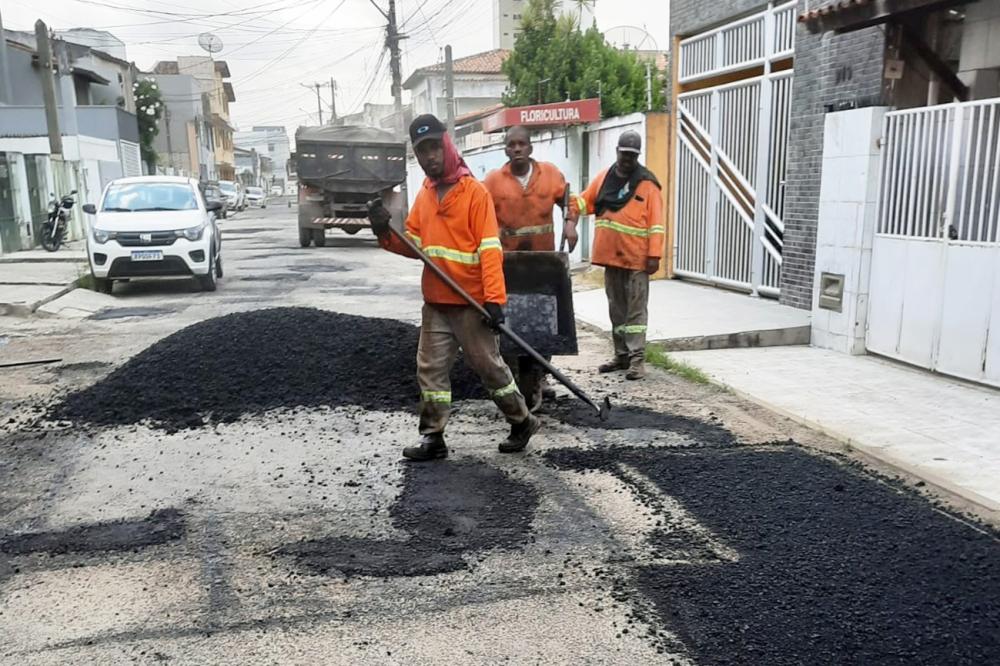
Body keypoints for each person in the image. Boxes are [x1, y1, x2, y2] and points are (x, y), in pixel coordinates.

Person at [367, 114, 541, 462]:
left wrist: (494, 301)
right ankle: (433, 437)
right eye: (422, 151)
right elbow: (413, 245)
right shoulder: (427, 194)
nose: (429, 157)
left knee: (490, 369)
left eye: (434, 148)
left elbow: (490, 250)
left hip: (470, 303)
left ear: (446, 146)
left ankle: (522, 420)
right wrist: (384, 230)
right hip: (437, 303)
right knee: (429, 369)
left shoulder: (473, 193)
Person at [483, 125, 581, 410]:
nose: (516, 149)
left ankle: (539, 377)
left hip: (543, 265)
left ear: (530, 147)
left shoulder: (549, 175)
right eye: (511, 144)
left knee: (544, 325)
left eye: (521, 144)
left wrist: (570, 223)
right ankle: (516, 380)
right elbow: (480, 214)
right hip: (510, 266)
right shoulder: (492, 182)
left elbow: (569, 201)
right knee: (513, 325)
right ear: (505, 149)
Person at [578, 130, 664, 380]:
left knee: (635, 313)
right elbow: (586, 201)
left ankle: (637, 360)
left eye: (632, 155)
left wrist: (654, 255)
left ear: (637, 156)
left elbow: (656, 223)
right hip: (611, 258)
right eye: (624, 153)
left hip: (637, 259)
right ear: (617, 151)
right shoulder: (604, 178)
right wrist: (566, 204)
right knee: (616, 310)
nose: (627, 159)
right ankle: (621, 356)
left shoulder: (648, 184)